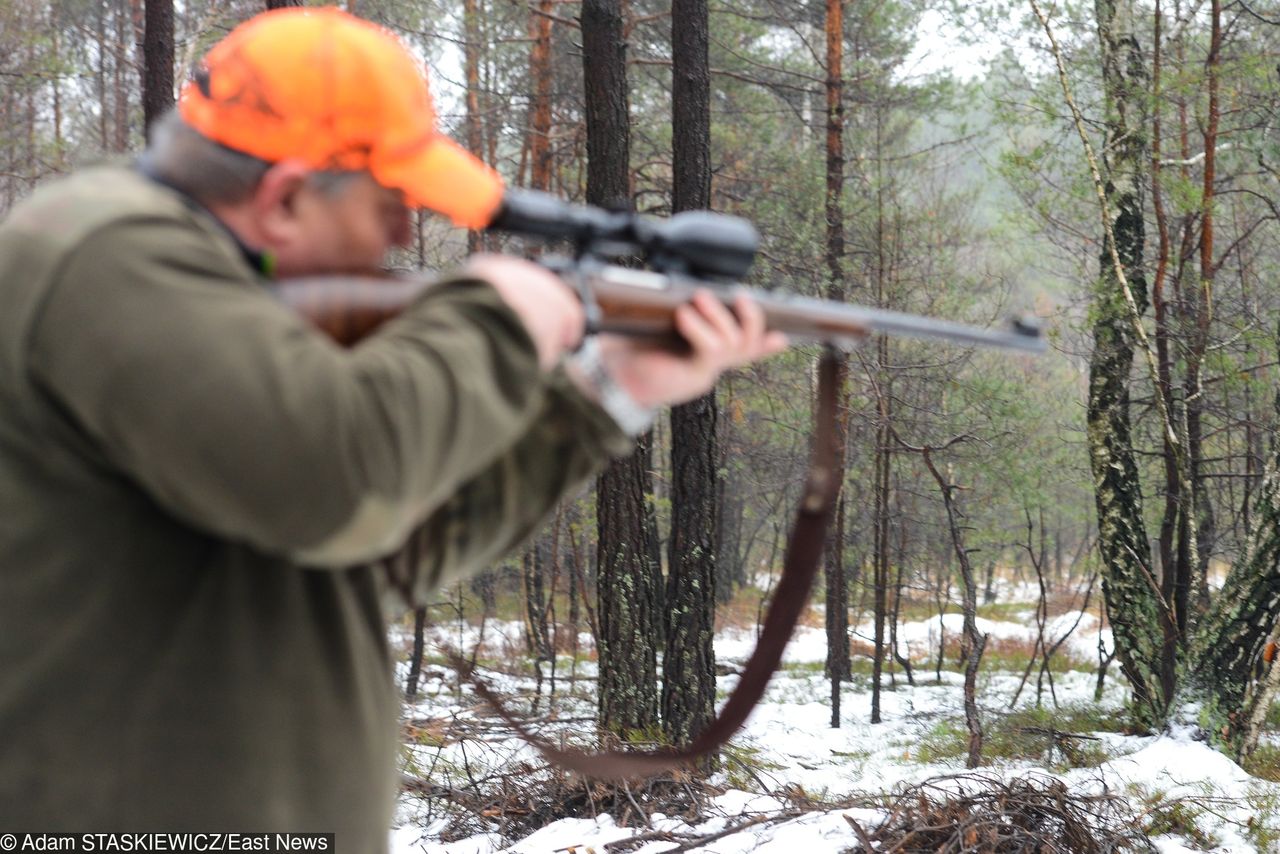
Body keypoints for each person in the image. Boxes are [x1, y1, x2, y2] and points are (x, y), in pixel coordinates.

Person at [0, 6, 785, 850]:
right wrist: (498, 319)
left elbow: (377, 550)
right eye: (389, 203)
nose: (407, 232)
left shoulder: (216, 298)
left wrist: (608, 393)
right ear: (286, 197)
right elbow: (334, 480)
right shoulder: (102, 251)